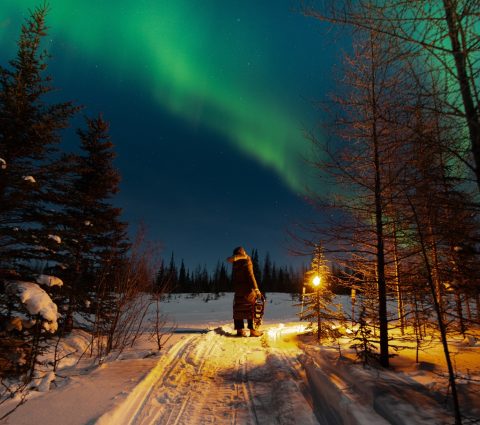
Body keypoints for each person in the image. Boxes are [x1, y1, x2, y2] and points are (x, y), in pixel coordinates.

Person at [226, 246, 263, 337]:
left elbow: (234, 278)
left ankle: (239, 330)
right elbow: (251, 275)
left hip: (238, 289)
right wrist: (256, 289)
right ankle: (252, 330)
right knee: (251, 308)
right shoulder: (247, 260)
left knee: (238, 309)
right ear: (242, 252)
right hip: (248, 289)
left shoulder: (235, 263)